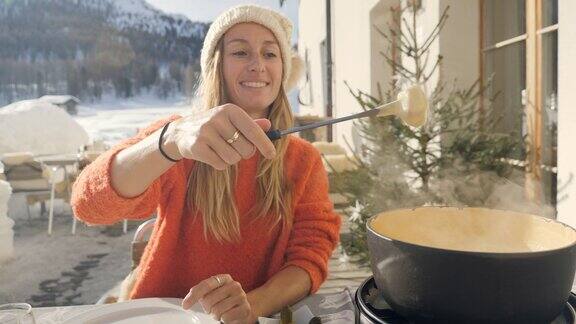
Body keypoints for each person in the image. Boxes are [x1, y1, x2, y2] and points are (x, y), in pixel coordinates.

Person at [71, 4, 341, 323]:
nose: (257, 65)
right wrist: (168, 142)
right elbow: (88, 205)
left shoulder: (303, 160)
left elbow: (310, 256)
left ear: (283, 70)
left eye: (270, 54)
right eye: (240, 53)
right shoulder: (180, 137)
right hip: (157, 314)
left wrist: (251, 306)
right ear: (216, 65)